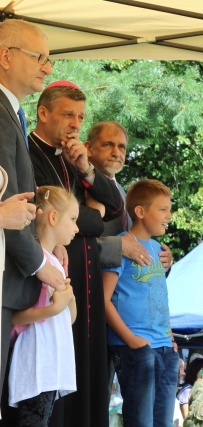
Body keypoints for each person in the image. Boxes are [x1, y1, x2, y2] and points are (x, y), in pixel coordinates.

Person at [28, 80, 124, 427]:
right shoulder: (27, 153)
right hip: (54, 276)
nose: (75, 124)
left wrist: (85, 167)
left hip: (85, 276)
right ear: (43, 113)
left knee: (87, 367)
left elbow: (114, 208)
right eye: (68, 114)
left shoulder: (71, 159)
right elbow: (89, 220)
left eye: (80, 117)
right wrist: (91, 216)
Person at [0, 20, 67, 407]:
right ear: (5, 57)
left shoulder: (12, 112)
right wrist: (37, 261)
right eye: (38, 57)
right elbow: (9, 201)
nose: (47, 67)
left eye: (49, 59)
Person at [102, 179, 179, 427]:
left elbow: (158, 297)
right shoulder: (123, 245)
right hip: (136, 348)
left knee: (163, 423)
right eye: (163, 209)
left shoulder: (159, 249)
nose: (169, 215)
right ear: (140, 211)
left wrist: (171, 338)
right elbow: (104, 299)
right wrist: (130, 340)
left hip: (166, 349)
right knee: (141, 422)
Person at [7, 186, 78, 425]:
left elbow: (68, 319)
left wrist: (70, 298)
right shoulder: (37, 262)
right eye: (73, 219)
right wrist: (54, 308)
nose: (77, 228)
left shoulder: (56, 262)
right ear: (54, 217)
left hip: (51, 364)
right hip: (34, 364)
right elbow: (14, 317)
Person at [84, 121, 173, 271]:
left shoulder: (123, 193)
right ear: (88, 148)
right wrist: (118, 247)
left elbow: (136, 247)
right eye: (108, 145)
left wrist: (162, 261)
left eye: (122, 147)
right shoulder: (75, 186)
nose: (116, 153)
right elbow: (71, 244)